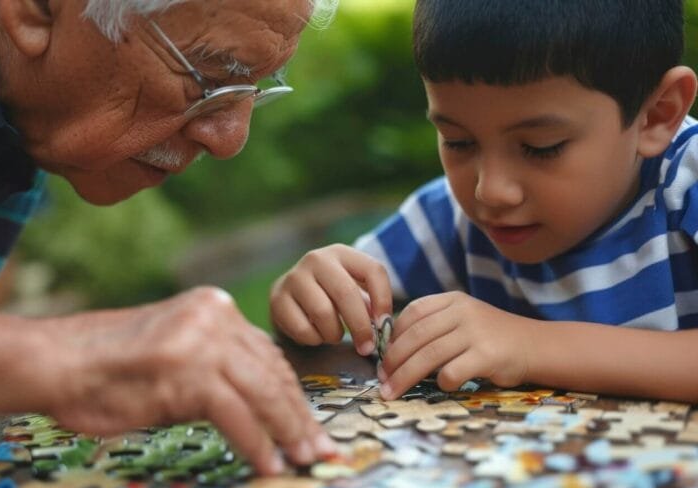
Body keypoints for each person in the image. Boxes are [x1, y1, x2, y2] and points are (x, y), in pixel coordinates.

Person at [0, 0, 340, 476]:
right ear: (32, 10)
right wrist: (75, 356)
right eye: (209, 77)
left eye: (252, 88)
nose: (229, 139)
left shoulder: (34, 112)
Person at [270, 0, 698, 404]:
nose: (489, 191)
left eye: (540, 146)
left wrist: (531, 345)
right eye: (459, 142)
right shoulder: (447, 222)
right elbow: (344, 311)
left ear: (658, 114)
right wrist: (305, 301)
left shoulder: (688, 181)